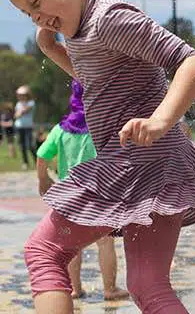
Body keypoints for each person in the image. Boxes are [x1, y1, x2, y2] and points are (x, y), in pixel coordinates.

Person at [4, 0, 195, 313]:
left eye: (38, 3)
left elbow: (191, 61)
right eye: (28, 14)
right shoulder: (85, 23)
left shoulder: (109, 17)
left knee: (43, 252)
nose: (38, 18)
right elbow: (103, 83)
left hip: (139, 162)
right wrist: (57, 53)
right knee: (147, 285)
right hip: (158, 163)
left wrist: (160, 120)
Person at [36, 80, 129, 301]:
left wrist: (43, 180)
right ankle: (110, 289)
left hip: (69, 196)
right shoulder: (103, 127)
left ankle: (75, 288)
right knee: (105, 241)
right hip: (100, 195)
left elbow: (42, 156)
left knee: (71, 244)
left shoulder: (60, 129)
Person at [14, 85, 37, 170]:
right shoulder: (18, 104)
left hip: (28, 127)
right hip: (19, 127)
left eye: (23, 94)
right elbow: (16, 115)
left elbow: (24, 111)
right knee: (22, 146)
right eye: (20, 95)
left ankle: (36, 161)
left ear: (27, 95)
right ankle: (25, 163)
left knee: (30, 145)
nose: (21, 96)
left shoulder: (31, 103)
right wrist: (19, 112)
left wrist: (20, 112)